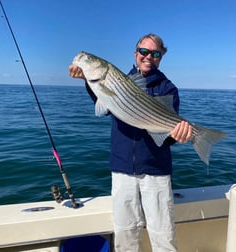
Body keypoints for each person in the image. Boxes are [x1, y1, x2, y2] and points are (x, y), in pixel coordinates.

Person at [69, 33, 192, 252]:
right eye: (144, 52)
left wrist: (179, 135)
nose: (148, 57)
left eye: (155, 53)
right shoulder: (119, 80)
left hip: (156, 170)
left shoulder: (168, 89)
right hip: (122, 168)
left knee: (163, 233)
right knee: (125, 233)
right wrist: (87, 81)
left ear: (161, 57)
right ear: (135, 54)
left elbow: (166, 133)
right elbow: (105, 106)